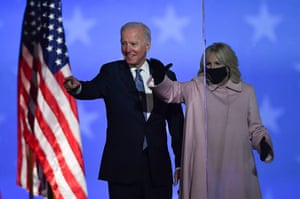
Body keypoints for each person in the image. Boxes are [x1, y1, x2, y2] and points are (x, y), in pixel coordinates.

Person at [63, 22, 184, 199]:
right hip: (122, 170)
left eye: (133, 44)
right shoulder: (111, 72)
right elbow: (90, 89)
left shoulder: (164, 76)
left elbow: (176, 123)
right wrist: (77, 87)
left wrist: (180, 162)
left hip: (157, 170)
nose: (127, 49)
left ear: (147, 45)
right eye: (123, 43)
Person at [149, 42, 274, 199]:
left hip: (234, 166)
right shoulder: (196, 87)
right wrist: (161, 78)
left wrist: (263, 144)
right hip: (203, 165)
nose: (213, 68)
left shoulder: (246, 92)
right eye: (209, 64)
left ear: (228, 65)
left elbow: (255, 128)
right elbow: (172, 92)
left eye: (217, 63)